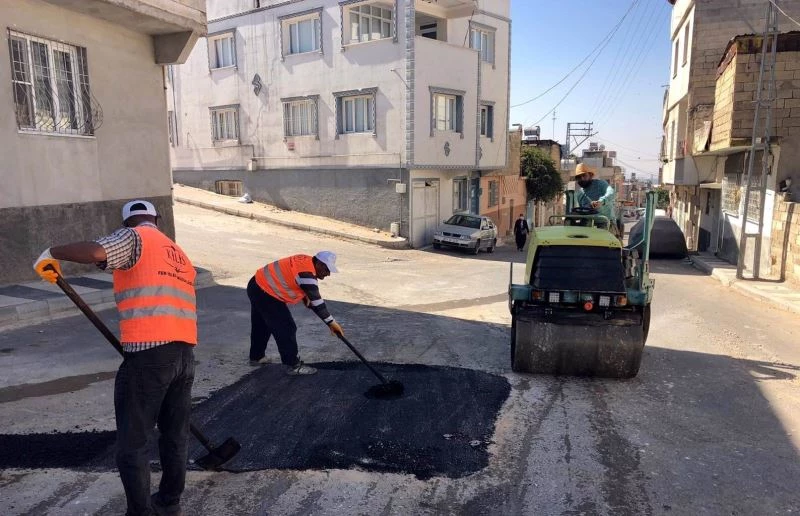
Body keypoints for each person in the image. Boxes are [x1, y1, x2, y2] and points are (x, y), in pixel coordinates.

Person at [33, 200, 196, 516]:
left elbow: (96, 252)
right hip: (184, 354)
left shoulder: (134, 237)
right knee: (175, 435)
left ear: (127, 222)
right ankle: (169, 501)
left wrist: (52, 252)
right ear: (157, 219)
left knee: (133, 443)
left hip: (149, 355)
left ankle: (140, 512)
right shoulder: (178, 253)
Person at [248, 251, 344, 375]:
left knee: (261, 324)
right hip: (266, 292)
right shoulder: (306, 274)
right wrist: (332, 323)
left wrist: (307, 298)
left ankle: (256, 357)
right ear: (319, 264)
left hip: (257, 284)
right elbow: (317, 303)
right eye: (327, 270)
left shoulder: (307, 262)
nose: (328, 274)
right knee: (286, 327)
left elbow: (307, 293)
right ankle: (293, 365)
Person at [573, 163, 619, 237]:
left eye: (584, 175)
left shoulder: (600, 184)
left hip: (606, 223)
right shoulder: (579, 194)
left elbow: (611, 193)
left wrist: (601, 201)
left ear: (590, 175)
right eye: (579, 177)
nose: (581, 179)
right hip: (588, 225)